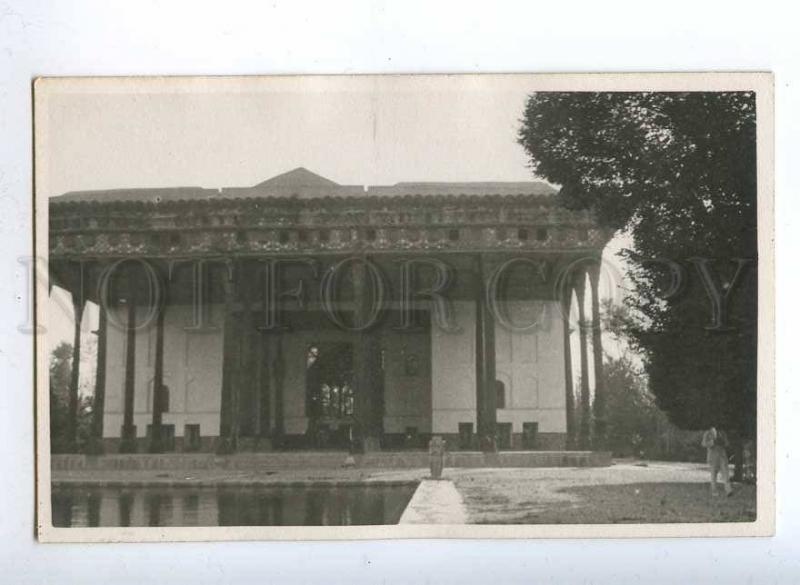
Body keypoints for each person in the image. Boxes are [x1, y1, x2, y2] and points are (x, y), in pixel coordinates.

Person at [701, 426, 733, 497]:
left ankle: (728, 490)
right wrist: (712, 442)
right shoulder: (708, 432)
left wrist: (723, 442)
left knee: (725, 473)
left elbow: (727, 443)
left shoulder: (722, 432)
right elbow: (703, 443)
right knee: (713, 475)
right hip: (713, 456)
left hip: (722, 456)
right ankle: (714, 492)